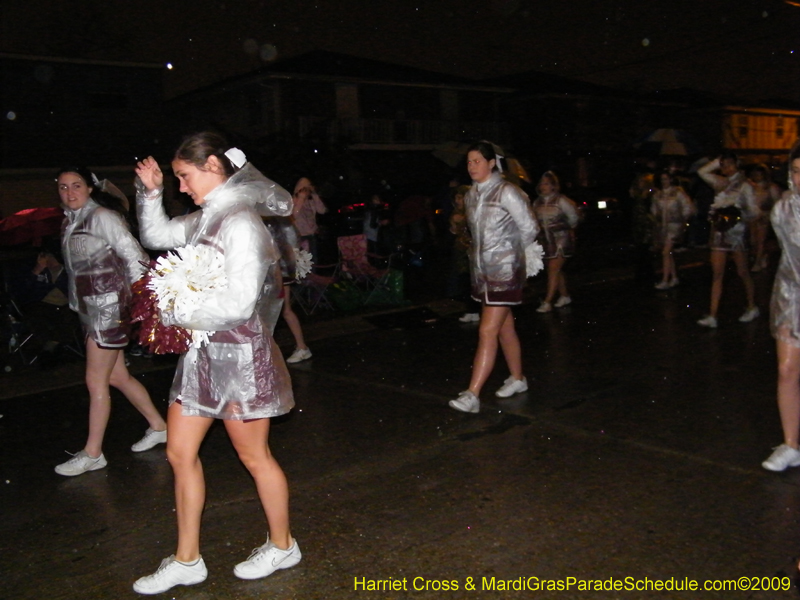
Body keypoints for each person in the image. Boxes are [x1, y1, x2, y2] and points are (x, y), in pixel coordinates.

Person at [132, 133, 299, 595]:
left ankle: (283, 544)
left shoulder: (240, 222)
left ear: (211, 165)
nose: (180, 187)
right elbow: (156, 236)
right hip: (202, 353)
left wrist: (176, 311)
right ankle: (187, 560)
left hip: (241, 357)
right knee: (179, 453)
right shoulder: (209, 218)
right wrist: (149, 192)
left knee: (253, 456)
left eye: (183, 177)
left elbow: (242, 302)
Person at [53, 168, 167, 476]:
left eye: (76, 185)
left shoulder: (102, 217)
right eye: (63, 187)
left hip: (109, 308)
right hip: (90, 309)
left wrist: (145, 299)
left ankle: (93, 452)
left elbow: (133, 255)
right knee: (117, 377)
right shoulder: (70, 221)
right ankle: (159, 427)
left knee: (95, 380)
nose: (69, 192)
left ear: (89, 188)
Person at [449, 142, 540, 414]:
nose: (472, 166)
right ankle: (517, 378)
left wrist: (510, 258)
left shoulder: (507, 191)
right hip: (482, 272)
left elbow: (530, 228)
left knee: (487, 329)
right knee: (503, 327)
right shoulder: (471, 195)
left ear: (491, 163)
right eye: (469, 162)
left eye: (477, 161)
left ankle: (473, 394)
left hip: (504, 271)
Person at [763, 143, 800, 472]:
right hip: (793, 295)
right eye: (798, 172)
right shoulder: (783, 208)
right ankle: (791, 444)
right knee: (787, 370)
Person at [696, 153, 760, 328]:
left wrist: (738, 214)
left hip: (736, 232)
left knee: (742, 271)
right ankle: (713, 315)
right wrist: (717, 161)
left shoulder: (745, 185)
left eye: (730, 164)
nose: (726, 168)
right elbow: (702, 172)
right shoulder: (719, 181)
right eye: (723, 165)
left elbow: (754, 212)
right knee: (717, 274)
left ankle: (751, 306)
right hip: (719, 231)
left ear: (737, 165)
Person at [266, 215, 313, 363]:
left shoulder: (277, 221)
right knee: (278, 312)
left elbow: (288, 246)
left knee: (282, 310)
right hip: (271, 271)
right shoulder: (269, 220)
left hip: (278, 272)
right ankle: (301, 347)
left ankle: (302, 347)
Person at [532, 171, 580, 311]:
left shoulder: (561, 201)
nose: (543, 186)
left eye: (547, 183)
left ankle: (547, 301)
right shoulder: (537, 202)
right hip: (546, 240)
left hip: (561, 239)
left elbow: (573, 217)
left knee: (553, 268)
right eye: (541, 183)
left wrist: (567, 228)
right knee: (555, 269)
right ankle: (564, 295)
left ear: (553, 186)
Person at [650, 171, 695, 289]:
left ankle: (665, 279)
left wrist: (681, 219)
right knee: (668, 253)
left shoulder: (678, 193)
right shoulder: (658, 195)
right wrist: (657, 217)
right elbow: (654, 210)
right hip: (664, 227)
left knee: (665, 252)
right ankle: (674, 277)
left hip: (675, 226)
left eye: (666, 179)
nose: (664, 182)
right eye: (662, 179)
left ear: (670, 180)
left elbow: (688, 207)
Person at [748, 164, 781, 272]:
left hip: (764, 216)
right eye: (755, 174)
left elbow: (777, 204)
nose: (757, 177)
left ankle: (758, 261)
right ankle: (762, 255)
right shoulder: (750, 186)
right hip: (752, 216)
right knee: (753, 240)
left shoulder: (771, 187)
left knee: (761, 240)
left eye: (759, 174)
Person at [292, 177, 326, 261]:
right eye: (304, 189)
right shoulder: (294, 200)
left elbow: (322, 210)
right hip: (300, 235)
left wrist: (314, 194)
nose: (306, 191)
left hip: (311, 235)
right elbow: (294, 215)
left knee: (313, 260)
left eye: (308, 189)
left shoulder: (311, 201)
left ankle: (312, 273)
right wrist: (301, 198)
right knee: (303, 261)